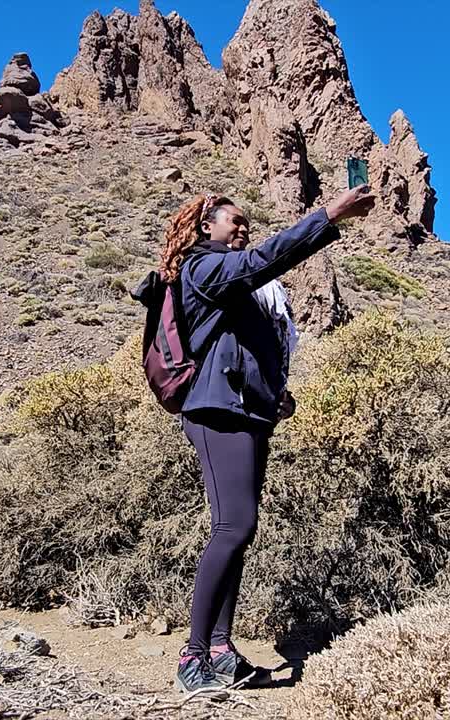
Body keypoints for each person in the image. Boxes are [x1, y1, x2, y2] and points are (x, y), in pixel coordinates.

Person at [158, 185, 375, 693]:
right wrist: (329, 216)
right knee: (233, 526)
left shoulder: (234, 285)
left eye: (246, 223)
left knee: (240, 530)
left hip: (248, 411)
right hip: (215, 411)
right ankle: (194, 657)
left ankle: (220, 649)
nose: (242, 228)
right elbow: (262, 261)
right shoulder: (202, 267)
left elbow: (252, 349)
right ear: (205, 227)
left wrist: (278, 393)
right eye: (233, 221)